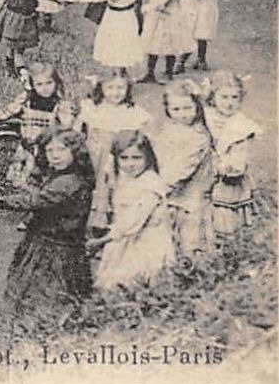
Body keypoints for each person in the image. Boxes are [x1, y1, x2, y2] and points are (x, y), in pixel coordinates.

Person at [0, 129, 94, 314]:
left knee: (51, 295)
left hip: (58, 248)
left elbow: (37, 200)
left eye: (62, 149)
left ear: (75, 151)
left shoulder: (70, 181)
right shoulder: (61, 176)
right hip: (46, 242)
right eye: (49, 151)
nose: (55, 156)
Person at [0, 63, 78, 211]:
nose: (45, 88)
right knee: (27, 181)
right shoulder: (26, 100)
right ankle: (32, 211)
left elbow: (68, 126)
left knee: (48, 180)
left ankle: (43, 210)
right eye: (39, 84)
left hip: (48, 149)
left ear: (56, 83)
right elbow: (7, 111)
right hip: (28, 148)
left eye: (49, 83)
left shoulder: (61, 105)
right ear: (32, 85)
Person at [89, 132, 175, 293]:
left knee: (137, 283)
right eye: (124, 158)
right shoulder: (126, 179)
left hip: (146, 242)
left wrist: (102, 240)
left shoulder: (150, 184)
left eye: (137, 158)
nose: (130, 164)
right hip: (126, 238)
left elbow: (132, 221)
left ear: (148, 158)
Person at [145, 79, 217, 258]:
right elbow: (161, 154)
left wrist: (161, 185)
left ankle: (192, 265)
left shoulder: (198, 136)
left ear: (196, 107)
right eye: (176, 109)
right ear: (167, 110)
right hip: (172, 190)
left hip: (190, 192)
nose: (182, 114)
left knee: (190, 234)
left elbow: (184, 167)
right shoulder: (170, 128)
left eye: (187, 108)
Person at [76, 71, 153, 233]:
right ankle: (90, 223)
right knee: (92, 185)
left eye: (120, 88)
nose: (115, 92)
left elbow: (142, 134)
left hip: (118, 157)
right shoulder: (94, 108)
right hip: (95, 156)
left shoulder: (131, 111)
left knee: (114, 186)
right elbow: (79, 130)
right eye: (109, 87)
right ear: (101, 88)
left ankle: (111, 224)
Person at [64, 0, 145, 77]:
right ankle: (120, 72)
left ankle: (119, 76)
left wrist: (75, 0)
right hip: (113, 16)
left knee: (119, 45)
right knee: (114, 44)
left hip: (122, 19)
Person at [205, 71, 259, 236]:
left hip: (227, 177)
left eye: (234, 97)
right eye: (224, 97)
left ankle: (226, 244)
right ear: (213, 97)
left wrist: (228, 166)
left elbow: (240, 157)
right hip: (204, 174)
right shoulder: (207, 117)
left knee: (224, 215)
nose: (229, 103)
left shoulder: (241, 125)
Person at [141, 0, 192, 83]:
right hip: (155, 16)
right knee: (153, 43)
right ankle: (150, 73)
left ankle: (169, 73)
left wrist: (150, 7)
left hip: (170, 15)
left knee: (170, 44)